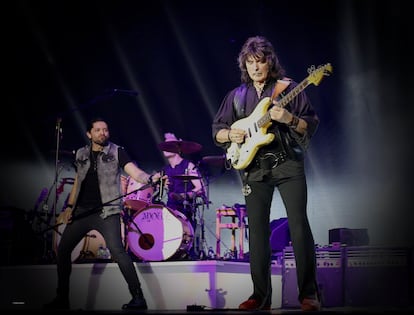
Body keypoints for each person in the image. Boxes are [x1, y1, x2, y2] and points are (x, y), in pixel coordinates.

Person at [212, 36, 321, 311]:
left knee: (298, 226)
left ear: (269, 62)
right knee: (257, 231)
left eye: (259, 62)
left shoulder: (288, 88)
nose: (255, 67)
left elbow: (310, 124)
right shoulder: (236, 96)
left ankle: (308, 294)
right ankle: (259, 295)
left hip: (287, 165)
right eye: (250, 62)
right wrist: (229, 133)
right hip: (253, 168)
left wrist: (289, 119)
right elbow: (217, 130)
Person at [44, 117, 163, 311]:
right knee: (63, 251)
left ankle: (138, 297)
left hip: (108, 212)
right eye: (98, 130)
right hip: (82, 212)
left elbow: (134, 172)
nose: (102, 133)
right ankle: (62, 299)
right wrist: (69, 207)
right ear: (89, 134)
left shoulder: (117, 151)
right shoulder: (81, 154)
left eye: (105, 130)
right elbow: (77, 182)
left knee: (118, 252)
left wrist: (149, 178)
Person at [161, 132, 205, 258]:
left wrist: (184, 196)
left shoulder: (188, 166)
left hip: (185, 208)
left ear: (178, 148)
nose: (166, 147)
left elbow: (200, 189)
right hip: (170, 208)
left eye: (170, 144)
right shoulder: (165, 169)